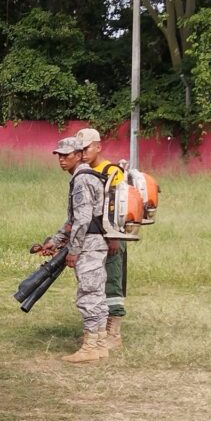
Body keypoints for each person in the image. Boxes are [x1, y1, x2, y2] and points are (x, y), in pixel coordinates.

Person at [39, 137, 108, 363]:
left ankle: (90, 348)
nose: (61, 159)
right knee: (96, 293)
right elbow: (74, 221)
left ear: (79, 155)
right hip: (96, 241)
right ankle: (99, 344)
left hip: (88, 243)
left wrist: (73, 250)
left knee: (88, 294)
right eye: (59, 155)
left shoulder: (81, 180)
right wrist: (57, 240)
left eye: (66, 155)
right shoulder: (89, 176)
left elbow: (82, 220)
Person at [76, 127, 127, 349]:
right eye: (80, 149)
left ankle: (113, 332)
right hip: (94, 236)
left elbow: (118, 207)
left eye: (87, 147)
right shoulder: (84, 172)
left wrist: (115, 237)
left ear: (98, 146)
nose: (83, 152)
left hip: (112, 235)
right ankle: (98, 331)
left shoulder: (113, 171)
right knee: (95, 282)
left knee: (112, 280)